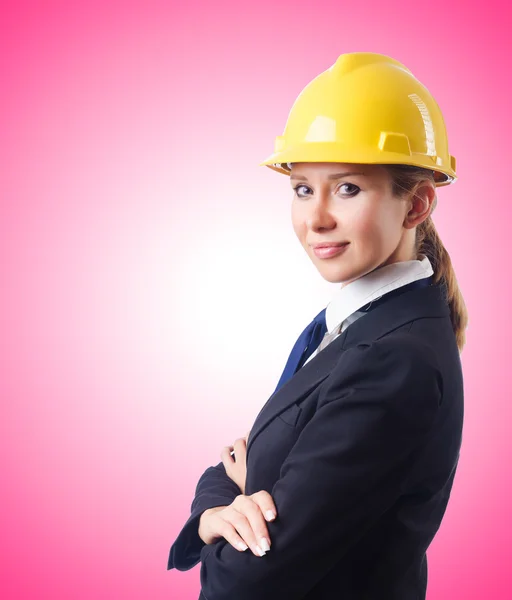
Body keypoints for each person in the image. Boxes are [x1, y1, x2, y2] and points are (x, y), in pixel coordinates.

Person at [167, 51, 467, 600]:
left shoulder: (391, 360)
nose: (316, 218)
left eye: (347, 188)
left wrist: (217, 508)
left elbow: (245, 579)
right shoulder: (356, 322)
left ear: (417, 204)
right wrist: (221, 502)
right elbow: (241, 462)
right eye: (303, 188)